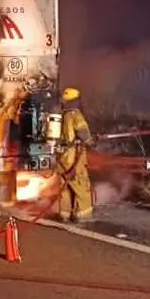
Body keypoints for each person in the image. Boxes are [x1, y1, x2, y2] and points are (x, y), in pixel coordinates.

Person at [56, 86, 94, 223]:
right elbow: (83, 132)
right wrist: (90, 141)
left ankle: (65, 214)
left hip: (62, 157)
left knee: (65, 186)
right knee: (81, 184)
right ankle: (82, 215)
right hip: (73, 157)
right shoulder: (75, 114)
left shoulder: (62, 116)